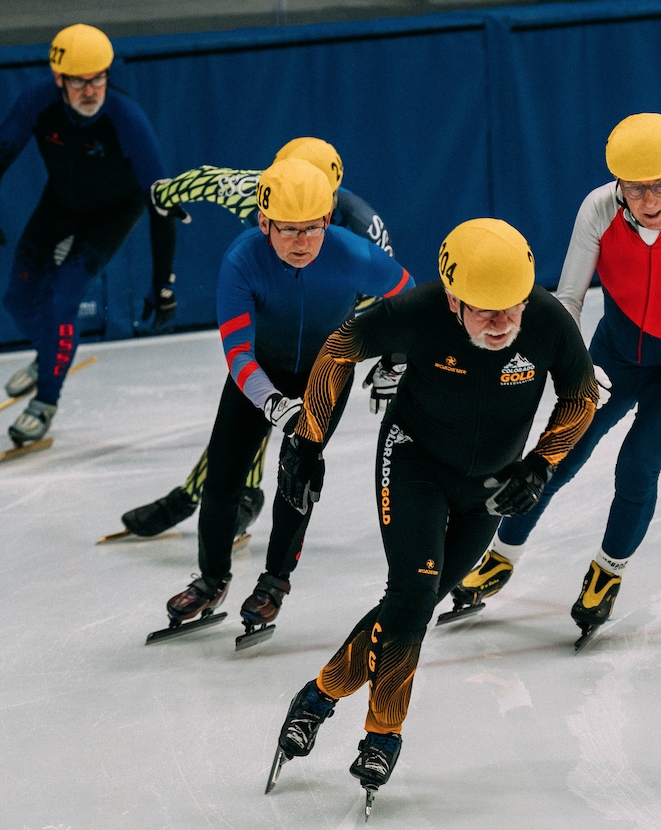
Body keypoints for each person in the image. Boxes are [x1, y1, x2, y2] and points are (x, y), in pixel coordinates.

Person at [268, 218, 598, 797]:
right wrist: (307, 442)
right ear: (452, 298)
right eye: (484, 310)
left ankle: (318, 695)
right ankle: (383, 735)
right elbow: (340, 346)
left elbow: (580, 396)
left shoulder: (547, 320)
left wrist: (542, 463)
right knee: (413, 592)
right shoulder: (417, 312)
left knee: (411, 608)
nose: (501, 324)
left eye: (512, 308)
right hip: (414, 461)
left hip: (489, 485)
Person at [450, 113, 661, 639]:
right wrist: (575, 369)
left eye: (660, 185)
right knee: (560, 454)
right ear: (619, 185)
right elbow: (568, 300)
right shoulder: (598, 208)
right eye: (635, 189)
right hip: (613, 355)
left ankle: (607, 573)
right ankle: (502, 556)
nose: (649, 201)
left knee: (637, 464)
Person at [160, 158, 413, 640]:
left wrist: (395, 359)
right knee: (222, 479)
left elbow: (410, 300)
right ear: (264, 223)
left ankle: (274, 582)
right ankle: (212, 579)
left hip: (325, 371)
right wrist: (272, 402)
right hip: (260, 373)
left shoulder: (353, 253)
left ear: (327, 220)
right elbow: (236, 351)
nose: (302, 243)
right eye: (289, 231)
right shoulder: (242, 259)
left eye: (313, 230)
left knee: (297, 475)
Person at [116, 137, 398, 541]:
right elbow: (208, 181)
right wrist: (164, 194)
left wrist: (389, 354)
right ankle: (231, 493)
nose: (300, 217)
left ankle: (204, 495)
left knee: (268, 406)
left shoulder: (361, 228)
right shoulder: (255, 190)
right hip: (269, 300)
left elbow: (388, 300)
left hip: (324, 321)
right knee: (256, 400)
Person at [0, 24, 177, 444]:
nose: (91, 89)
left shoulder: (126, 117)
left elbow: (161, 203)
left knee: (63, 298)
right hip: (62, 202)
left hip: (114, 213)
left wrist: (163, 284)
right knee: (18, 300)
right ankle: (50, 356)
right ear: (58, 78)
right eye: (79, 81)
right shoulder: (37, 101)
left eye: (99, 77)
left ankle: (45, 399)